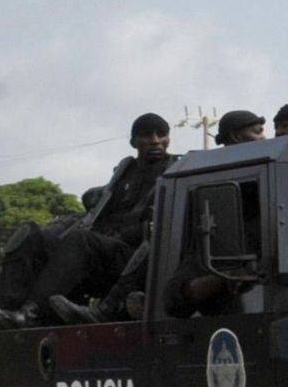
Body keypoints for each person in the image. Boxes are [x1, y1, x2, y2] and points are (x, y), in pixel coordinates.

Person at [0, 113, 178, 330]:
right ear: (134, 142)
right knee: (30, 235)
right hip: (98, 249)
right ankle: (0, 314)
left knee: (81, 240)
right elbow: (99, 208)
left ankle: (32, 313)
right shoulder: (124, 172)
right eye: (147, 135)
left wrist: (118, 235)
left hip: (136, 259)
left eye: (161, 134)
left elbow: (166, 225)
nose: (155, 140)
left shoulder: (176, 172)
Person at [51, 109, 267, 324]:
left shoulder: (191, 166)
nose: (155, 141)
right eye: (257, 132)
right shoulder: (215, 165)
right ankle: (61, 309)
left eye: (160, 134)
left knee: (155, 240)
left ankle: (108, 308)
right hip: (193, 248)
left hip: (209, 249)